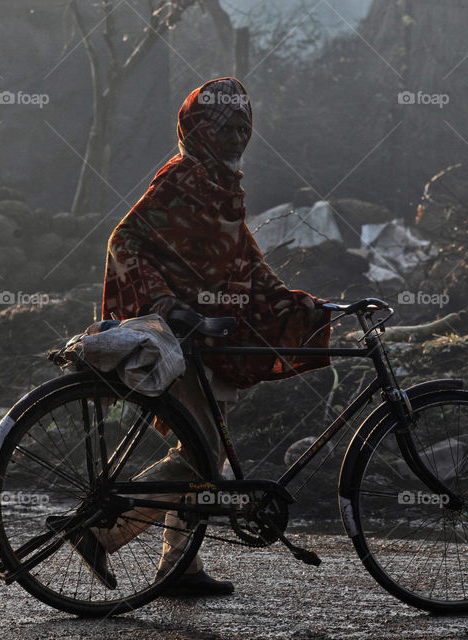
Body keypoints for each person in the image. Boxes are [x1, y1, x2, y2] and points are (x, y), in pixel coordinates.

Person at [59, 78, 333, 597]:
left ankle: (178, 566)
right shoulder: (182, 181)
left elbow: (246, 264)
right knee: (205, 453)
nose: (235, 136)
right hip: (177, 337)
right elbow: (126, 239)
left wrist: (300, 305)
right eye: (223, 126)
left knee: (203, 448)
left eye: (242, 126)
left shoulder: (224, 187)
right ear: (197, 129)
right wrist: (162, 301)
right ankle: (98, 530)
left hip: (207, 337)